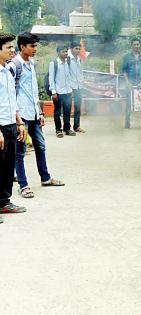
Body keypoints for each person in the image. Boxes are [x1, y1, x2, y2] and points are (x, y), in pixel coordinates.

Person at [9, 32, 65, 199]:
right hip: (21, 116)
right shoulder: (14, 66)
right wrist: (17, 118)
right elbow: (9, 93)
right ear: (22, 47)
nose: (35, 49)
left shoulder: (31, 64)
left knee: (40, 146)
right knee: (20, 152)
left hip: (33, 114)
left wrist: (40, 112)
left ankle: (45, 178)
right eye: (32, 46)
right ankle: (23, 185)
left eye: (35, 46)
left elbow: (33, 91)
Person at [0, 33, 27, 222]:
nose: (12, 50)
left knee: (8, 167)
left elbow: (12, 100)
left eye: (12, 46)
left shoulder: (8, 71)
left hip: (10, 125)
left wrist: (19, 122)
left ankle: (3, 202)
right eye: (8, 47)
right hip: (0, 127)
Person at [122, 38, 141, 129]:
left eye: (138, 44)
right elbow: (124, 71)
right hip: (130, 83)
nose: (136, 46)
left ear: (139, 45)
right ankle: (127, 123)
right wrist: (127, 82)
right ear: (131, 45)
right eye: (134, 44)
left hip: (140, 83)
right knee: (129, 103)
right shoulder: (127, 57)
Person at [49, 45, 74, 137]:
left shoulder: (68, 63)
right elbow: (51, 79)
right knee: (57, 112)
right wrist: (53, 92)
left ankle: (67, 129)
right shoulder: (54, 63)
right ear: (58, 53)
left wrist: (71, 89)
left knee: (67, 111)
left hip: (68, 91)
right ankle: (58, 130)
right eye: (64, 52)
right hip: (58, 92)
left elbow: (69, 77)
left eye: (67, 52)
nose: (66, 53)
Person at [69, 41, 85, 133]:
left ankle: (77, 126)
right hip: (70, 87)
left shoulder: (79, 59)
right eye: (76, 48)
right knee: (67, 107)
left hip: (79, 86)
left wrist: (82, 81)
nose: (78, 50)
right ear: (71, 49)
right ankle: (67, 128)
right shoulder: (67, 59)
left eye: (79, 48)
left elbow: (80, 72)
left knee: (78, 107)